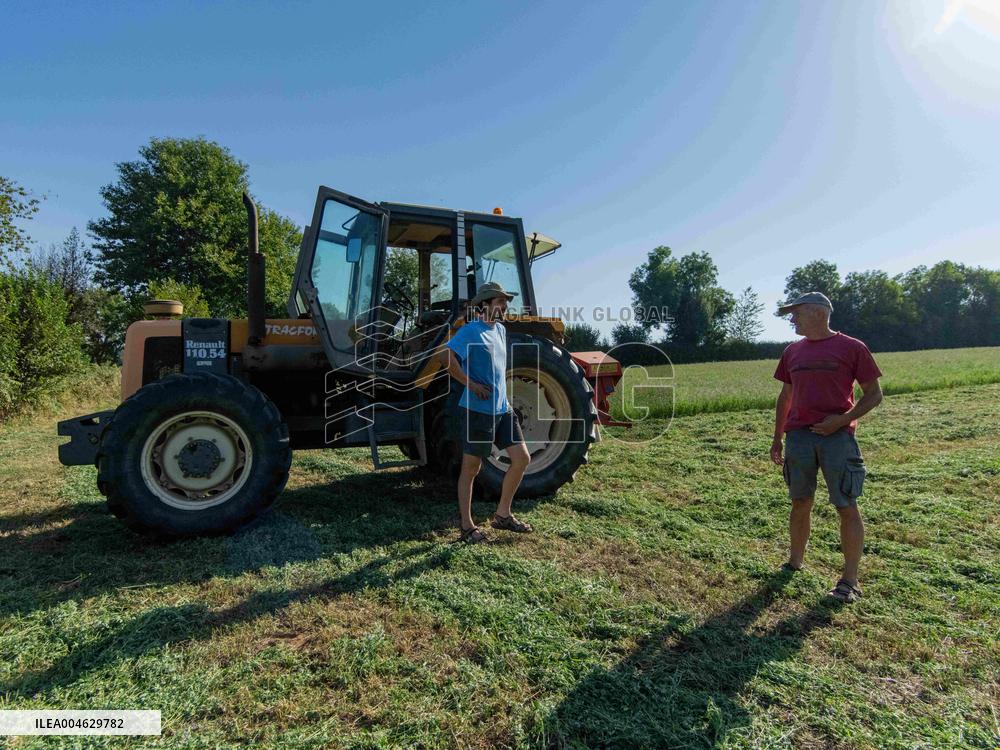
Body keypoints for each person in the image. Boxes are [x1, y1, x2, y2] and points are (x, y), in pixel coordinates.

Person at [770, 292, 883, 603]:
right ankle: (794, 562)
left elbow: (874, 394)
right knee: (800, 501)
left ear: (818, 313)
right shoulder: (792, 351)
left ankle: (850, 580)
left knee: (846, 505)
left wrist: (842, 420)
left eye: (796, 313)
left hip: (838, 439)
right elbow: (785, 397)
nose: (791, 320)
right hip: (798, 439)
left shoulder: (852, 348)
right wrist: (777, 437)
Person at [437, 281, 532, 544]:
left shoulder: (500, 330)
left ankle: (503, 515)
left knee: (521, 459)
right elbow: (444, 356)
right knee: (471, 468)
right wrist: (470, 383)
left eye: (505, 302)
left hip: (503, 409)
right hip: (478, 411)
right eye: (499, 301)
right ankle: (467, 527)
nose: (504, 306)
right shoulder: (471, 331)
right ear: (484, 305)